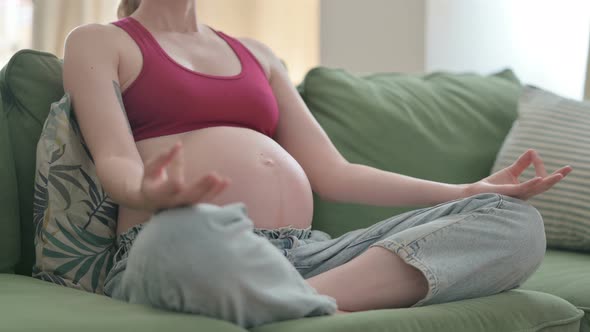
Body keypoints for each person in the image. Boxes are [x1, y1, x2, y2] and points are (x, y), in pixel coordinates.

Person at [62, 0, 572, 328]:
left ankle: (294, 298)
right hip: (181, 243)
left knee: (517, 223)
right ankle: (283, 297)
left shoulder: (258, 56)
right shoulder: (100, 41)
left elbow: (333, 172)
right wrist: (147, 194)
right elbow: (114, 159)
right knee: (178, 239)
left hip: (306, 254)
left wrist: (464, 192)